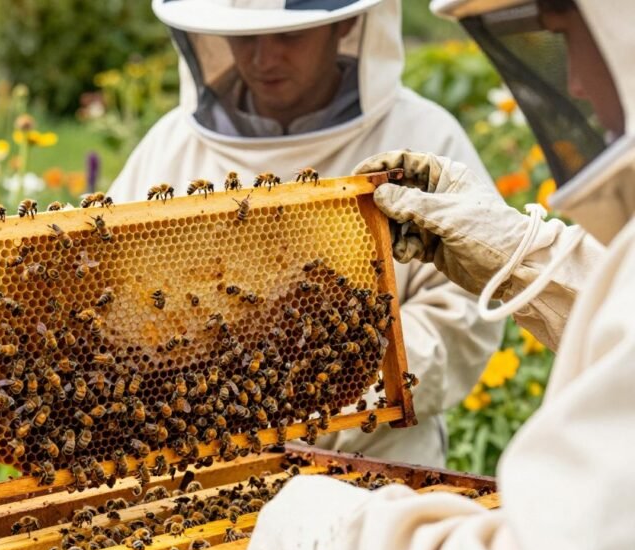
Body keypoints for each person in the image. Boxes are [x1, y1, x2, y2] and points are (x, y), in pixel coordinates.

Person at [246, 0, 635, 550]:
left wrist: (329, 536)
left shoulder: (423, 123)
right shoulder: (164, 142)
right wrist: (521, 253)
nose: (573, 81)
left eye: (570, 35)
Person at [108, 0, 502, 467]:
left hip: (374, 471)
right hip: (202, 473)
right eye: (246, 37)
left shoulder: (425, 139)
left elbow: (464, 314)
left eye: (289, 36)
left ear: (346, 22)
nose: (263, 58)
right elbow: (111, 308)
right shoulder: (168, 150)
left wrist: (327, 384)